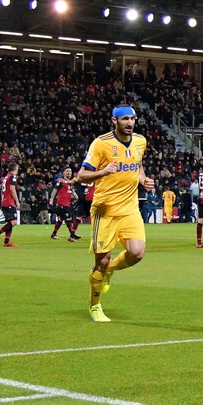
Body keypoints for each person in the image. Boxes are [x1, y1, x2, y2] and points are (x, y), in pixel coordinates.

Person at [76, 105, 154, 323]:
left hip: (130, 208)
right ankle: (95, 305)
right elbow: (81, 175)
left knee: (137, 253)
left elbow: (138, 165)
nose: (130, 123)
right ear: (114, 121)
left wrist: (143, 180)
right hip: (106, 210)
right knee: (101, 262)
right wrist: (103, 171)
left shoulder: (140, 141)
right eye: (125, 119)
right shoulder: (101, 143)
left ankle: (110, 271)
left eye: (133, 119)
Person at [0, 161, 22, 247]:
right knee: (14, 222)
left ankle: (6, 242)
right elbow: (12, 189)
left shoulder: (7, 176)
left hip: (4, 201)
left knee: (10, 222)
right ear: (15, 168)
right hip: (9, 202)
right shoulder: (13, 176)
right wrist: (17, 201)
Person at [48, 167, 81, 241]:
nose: (69, 173)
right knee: (68, 219)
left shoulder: (70, 183)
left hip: (67, 203)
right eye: (67, 171)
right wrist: (52, 199)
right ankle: (72, 235)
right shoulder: (61, 181)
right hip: (62, 204)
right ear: (63, 173)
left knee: (61, 219)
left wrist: (79, 199)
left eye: (70, 171)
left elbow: (73, 193)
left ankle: (54, 234)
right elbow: (55, 190)